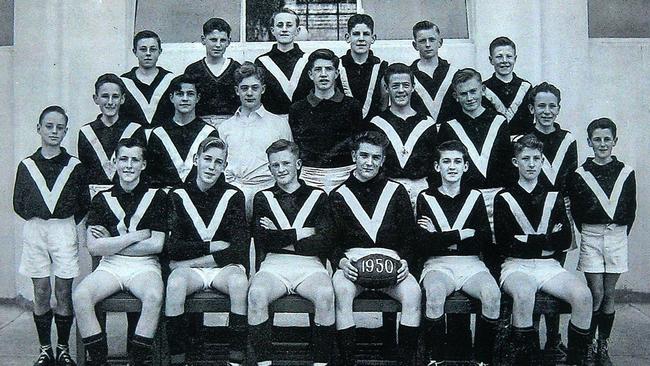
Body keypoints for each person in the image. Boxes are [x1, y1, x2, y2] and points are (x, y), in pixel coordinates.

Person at [495, 134, 592, 365]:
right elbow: (505, 242)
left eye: (536, 158)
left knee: (583, 296)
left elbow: (565, 239)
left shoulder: (554, 195)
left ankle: (575, 361)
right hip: (515, 266)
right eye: (525, 158)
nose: (531, 164)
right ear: (515, 162)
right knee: (524, 292)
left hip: (550, 266)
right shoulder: (504, 197)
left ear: (541, 161)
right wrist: (547, 240)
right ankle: (525, 361)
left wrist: (527, 240)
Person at [437, 68, 513, 357]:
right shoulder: (449, 126)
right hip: (462, 200)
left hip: (494, 198)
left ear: (483, 90)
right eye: (463, 94)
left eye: (473, 91)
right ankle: (457, 336)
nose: (469, 98)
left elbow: (506, 166)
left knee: (494, 261)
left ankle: (494, 335)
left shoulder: (499, 122)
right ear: (455, 96)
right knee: (461, 257)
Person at [329, 131, 420, 366]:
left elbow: (410, 235)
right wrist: (341, 262)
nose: (369, 162)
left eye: (375, 157)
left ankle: (405, 362)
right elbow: (331, 240)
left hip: (391, 262)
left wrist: (405, 262)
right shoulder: (338, 194)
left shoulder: (396, 191)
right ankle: (348, 361)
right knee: (342, 291)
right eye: (364, 155)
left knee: (413, 293)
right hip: (353, 262)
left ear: (382, 160)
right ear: (354, 156)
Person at [73, 138, 166, 366]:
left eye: (135, 160)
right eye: (123, 159)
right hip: (111, 266)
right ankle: (99, 362)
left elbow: (157, 245)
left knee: (154, 295)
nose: (128, 165)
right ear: (114, 161)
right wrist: (136, 236)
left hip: (145, 266)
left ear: (143, 164)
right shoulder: (102, 198)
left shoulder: (158, 197)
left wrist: (112, 242)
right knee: (81, 295)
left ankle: (135, 362)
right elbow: (94, 247)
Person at [13, 106, 89, 366]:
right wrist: (41, 216)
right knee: (42, 291)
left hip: (63, 229)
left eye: (60, 128)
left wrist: (61, 221)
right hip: (36, 230)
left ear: (66, 131)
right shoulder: (27, 165)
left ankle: (63, 349)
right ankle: (45, 349)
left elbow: (82, 204)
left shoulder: (75, 166)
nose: (54, 131)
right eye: (49, 126)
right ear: (39, 129)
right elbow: (18, 203)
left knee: (63, 291)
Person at [248, 139, 335, 366]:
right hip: (274, 265)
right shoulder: (263, 197)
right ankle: (264, 363)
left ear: (298, 164)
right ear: (269, 168)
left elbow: (323, 241)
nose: (281, 170)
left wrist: (282, 234)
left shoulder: (318, 196)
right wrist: (303, 232)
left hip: (310, 265)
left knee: (326, 294)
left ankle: (321, 364)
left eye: (286, 163)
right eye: (274, 165)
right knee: (256, 294)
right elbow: (264, 240)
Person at [165, 136, 249, 366]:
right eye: (207, 159)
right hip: (195, 271)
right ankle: (178, 360)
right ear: (196, 160)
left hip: (220, 269)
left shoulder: (234, 195)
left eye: (218, 162)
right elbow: (173, 248)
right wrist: (211, 247)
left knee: (240, 283)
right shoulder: (177, 194)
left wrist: (189, 262)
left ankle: (236, 361)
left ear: (225, 166)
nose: (211, 166)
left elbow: (238, 249)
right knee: (174, 285)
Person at [416, 140, 500, 365]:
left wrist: (440, 237)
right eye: (446, 161)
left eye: (457, 161)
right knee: (434, 293)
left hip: (471, 264)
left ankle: (483, 361)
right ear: (437, 167)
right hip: (438, 264)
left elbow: (481, 240)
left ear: (465, 166)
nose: (451, 167)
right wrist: (461, 235)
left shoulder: (475, 197)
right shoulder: (426, 197)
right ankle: (437, 360)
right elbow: (424, 244)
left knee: (492, 294)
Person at [568, 118, 636, 366]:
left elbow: (631, 210)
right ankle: (586, 345)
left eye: (607, 139)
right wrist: (590, 233)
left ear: (615, 141)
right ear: (589, 142)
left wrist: (616, 235)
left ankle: (602, 344)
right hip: (592, 236)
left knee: (609, 294)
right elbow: (575, 211)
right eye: (597, 139)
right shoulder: (579, 175)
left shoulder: (626, 172)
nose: (602, 143)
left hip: (616, 236)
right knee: (595, 293)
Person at [527, 82, 579, 358]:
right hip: (532, 210)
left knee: (555, 274)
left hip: (559, 211)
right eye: (541, 106)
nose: (546, 111)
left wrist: (563, 212)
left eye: (552, 106)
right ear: (532, 108)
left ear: (558, 108)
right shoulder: (524, 139)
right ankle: (531, 335)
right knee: (532, 270)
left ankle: (553, 338)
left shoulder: (568, 139)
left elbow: (571, 178)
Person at [218, 62, 293, 218]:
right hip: (235, 192)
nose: (249, 93)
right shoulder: (225, 127)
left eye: (255, 88)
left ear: (263, 89)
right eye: (244, 88)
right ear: (236, 91)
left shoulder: (279, 124)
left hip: (269, 192)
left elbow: (289, 162)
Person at [289, 48, 363, 193]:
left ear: (336, 73)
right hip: (310, 175)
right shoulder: (297, 108)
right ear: (310, 74)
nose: (323, 74)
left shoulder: (352, 105)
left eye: (328, 69)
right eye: (318, 70)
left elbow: (357, 143)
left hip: (345, 173)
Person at [368, 62, 437, 210]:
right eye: (395, 86)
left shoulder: (427, 123)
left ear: (413, 87)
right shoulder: (376, 123)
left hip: (422, 189)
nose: (401, 90)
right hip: (388, 189)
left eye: (405, 85)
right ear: (386, 88)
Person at [147, 74, 219, 188]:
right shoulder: (158, 133)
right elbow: (151, 174)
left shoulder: (209, 132)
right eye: (180, 94)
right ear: (171, 98)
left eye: (190, 94)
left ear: (198, 98)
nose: (185, 99)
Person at [78, 74, 146, 190]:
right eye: (105, 96)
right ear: (96, 98)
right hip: (94, 197)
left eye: (115, 96)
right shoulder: (86, 132)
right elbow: (85, 172)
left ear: (122, 99)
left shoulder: (135, 129)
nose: (110, 102)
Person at [184, 18, 241, 127]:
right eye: (213, 40)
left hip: (232, 123)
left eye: (223, 40)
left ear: (229, 41)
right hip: (200, 124)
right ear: (203, 39)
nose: (218, 45)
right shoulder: (193, 69)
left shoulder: (236, 68)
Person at [254, 8, 312, 116]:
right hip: (271, 124)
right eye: (280, 25)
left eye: (289, 25)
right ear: (272, 30)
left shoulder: (308, 60)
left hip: (304, 123)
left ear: (297, 31)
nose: (284, 29)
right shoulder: (261, 62)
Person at [337, 13, 388, 121]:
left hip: (374, 130)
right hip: (343, 131)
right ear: (347, 37)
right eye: (356, 34)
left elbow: (384, 104)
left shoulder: (382, 68)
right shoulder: (337, 66)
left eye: (366, 34)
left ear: (373, 38)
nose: (361, 39)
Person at [120, 30, 175, 130]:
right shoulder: (124, 81)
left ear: (160, 52)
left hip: (163, 139)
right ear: (134, 51)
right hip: (133, 140)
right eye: (143, 49)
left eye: (153, 49)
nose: (148, 53)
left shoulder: (171, 80)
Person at [409, 21, 460, 124]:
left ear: (440, 42)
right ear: (415, 45)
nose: (428, 45)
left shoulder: (454, 73)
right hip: (421, 134)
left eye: (432, 40)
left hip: (449, 134)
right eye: (422, 41)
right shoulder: (408, 75)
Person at [482, 37, 534, 137]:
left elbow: (529, 123)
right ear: (491, 60)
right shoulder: (483, 89)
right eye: (499, 57)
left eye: (509, 56)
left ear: (515, 59)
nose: (504, 61)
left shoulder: (526, 87)